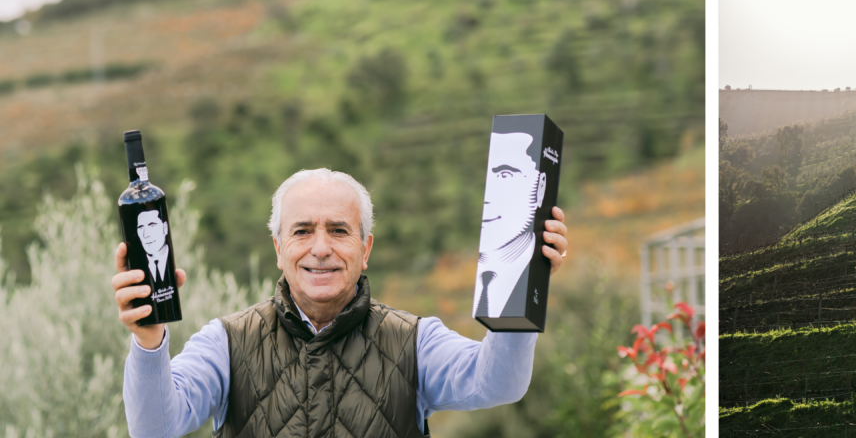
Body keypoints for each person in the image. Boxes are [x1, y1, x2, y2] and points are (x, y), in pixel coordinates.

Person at [111, 168, 569, 438]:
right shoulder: (225, 343)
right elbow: (155, 428)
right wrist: (150, 341)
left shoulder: (415, 341)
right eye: (303, 230)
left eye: (339, 230)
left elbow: (500, 383)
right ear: (278, 246)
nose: (321, 248)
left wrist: (521, 278)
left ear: (366, 248)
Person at [474, 130, 548, 318]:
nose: (488, 196)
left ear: (539, 188)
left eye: (505, 175)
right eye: (486, 179)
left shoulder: (534, 273)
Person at [135, 209, 176, 303]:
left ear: (165, 228)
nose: (145, 234)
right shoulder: (138, 265)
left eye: (152, 225)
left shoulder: (178, 260)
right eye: (141, 227)